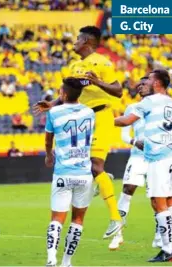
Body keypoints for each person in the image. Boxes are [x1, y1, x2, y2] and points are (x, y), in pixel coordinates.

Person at [34, 26, 124, 238]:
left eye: (77, 39)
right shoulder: (74, 66)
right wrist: (52, 104)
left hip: (100, 116)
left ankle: (116, 219)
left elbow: (118, 91)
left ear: (86, 41)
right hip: (82, 118)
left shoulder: (102, 63)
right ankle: (102, 180)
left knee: (95, 165)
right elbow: (68, 93)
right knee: (93, 168)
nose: (73, 42)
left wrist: (97, 82)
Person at [114, 69, 172, 262]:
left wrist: (100, 120)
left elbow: (126, 121)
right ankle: (170, 246)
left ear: (158, 83)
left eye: (150, 79)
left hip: (158, 158)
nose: (146, 82)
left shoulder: (148, 102)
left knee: (157, 202)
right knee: (169, 201)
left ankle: (168, 250)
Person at [45, 78, 95, 267]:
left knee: (57, 219)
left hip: (63, 172)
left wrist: (49, 155)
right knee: (78, 219)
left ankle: (51, 258)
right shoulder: (90, 113)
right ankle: (67, 261)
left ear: (63, 94)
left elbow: (48, 139)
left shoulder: (54, 112)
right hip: (84, 173)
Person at [108, 77, 149, 250]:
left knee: (160, 198)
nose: (141, 87)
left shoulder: (165, 107)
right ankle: (118, 234)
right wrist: (134, 141)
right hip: (138, 156)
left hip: (159, 158)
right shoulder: (132, 108)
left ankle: (163, 238)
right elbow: (124, 135)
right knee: (127, 191)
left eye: (144, 84)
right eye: (139, 85)